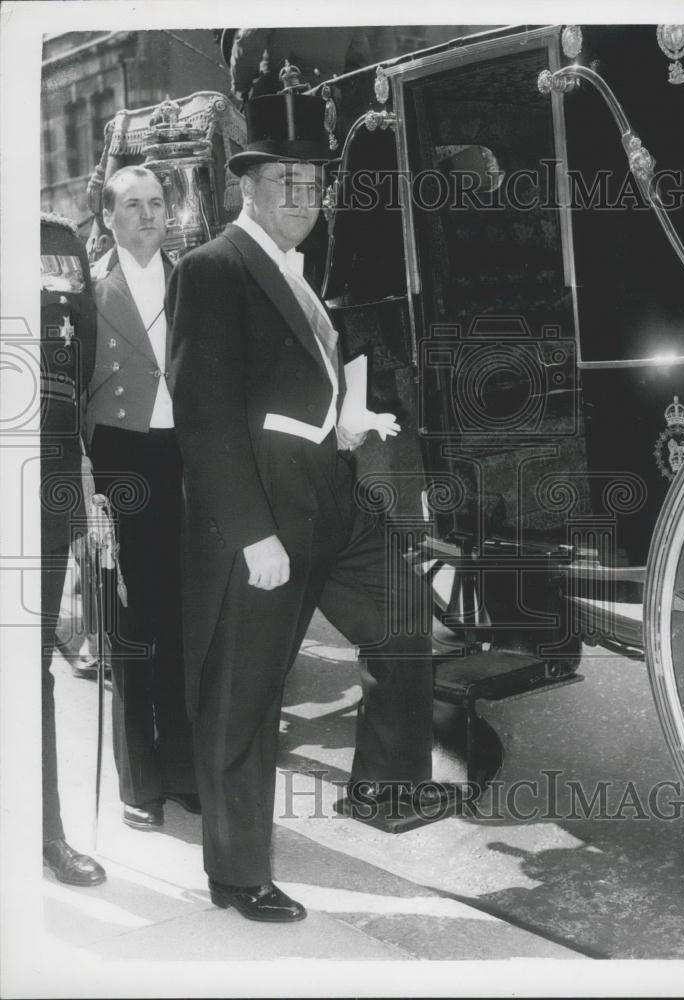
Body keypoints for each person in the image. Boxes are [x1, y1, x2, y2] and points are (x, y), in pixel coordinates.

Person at [167, 89, 441, 924]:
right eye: (284, 179)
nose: (303, 196)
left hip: (332, 497)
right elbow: (205, 416)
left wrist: (348, 417)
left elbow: (296, 387)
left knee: (403, 621)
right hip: (266, 517)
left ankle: (381, 789)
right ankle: (237, 872)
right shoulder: (213, 268)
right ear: (247, 186)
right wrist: (252, 535)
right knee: (245, 697)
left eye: (314, 183)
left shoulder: (296, 270)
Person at [85, 166, 199, 831]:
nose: (149, 215)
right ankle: (140, 780)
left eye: (157, 203)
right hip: (120, 461)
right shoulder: (89, 290)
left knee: (182, 620)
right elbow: (67, 394)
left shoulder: (192, 279)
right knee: (131, 625)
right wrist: (84, 486)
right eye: (133, 205)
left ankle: (183, 770)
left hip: (180, 456)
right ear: (108, 219)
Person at [40, 213, 106, 885]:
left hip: (42, 482)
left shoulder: (57, 241)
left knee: (31, 671)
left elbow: (81, 365)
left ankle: (46, 834)